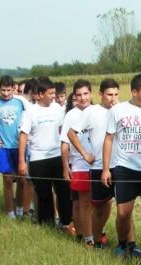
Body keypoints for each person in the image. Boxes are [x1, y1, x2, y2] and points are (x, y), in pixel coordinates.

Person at [102, 73, 141, 257]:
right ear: (134, 92)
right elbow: (109, 139)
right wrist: (105, 169)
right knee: (123, 213)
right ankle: (122, 244)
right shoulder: (118, 111)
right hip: (125, 167)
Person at [68, 78, 119, 248]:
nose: (113, 98)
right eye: (109, 94)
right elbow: (71, 133)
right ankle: (93, 239)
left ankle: (110, 238)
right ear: (101, 94)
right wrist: (85, 154)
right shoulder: (91, 112)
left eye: (116, 94)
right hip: (98, 166)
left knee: (113, 205)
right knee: (96, 205)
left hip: (119, 165)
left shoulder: (120, 110)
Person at [18, 78, 70, 228]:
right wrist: (22, 161)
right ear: (40, 94)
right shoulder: (30, 112)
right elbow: (23, 136)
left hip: (57, 156)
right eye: (51, 93)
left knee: (63, 192)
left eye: (54, 93)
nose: (54, 96)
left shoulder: (57, 109)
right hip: (38, 159)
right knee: (44, 194)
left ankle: (66, 223)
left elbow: (65, 131)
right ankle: (47, 225)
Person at [0, 75, 29, 219]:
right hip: (2, 146)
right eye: (3, 90)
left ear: (13, 89)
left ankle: (20, 208)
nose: (6, 93)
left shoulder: (20, 101)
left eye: (9, 90)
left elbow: (32, 115)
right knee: (8, 180)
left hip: (19, 145)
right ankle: (10, 212)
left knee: (22, 179)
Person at [62, 79, 93, 243]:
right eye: (79, 95)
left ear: (91, 94)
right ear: (74, 96)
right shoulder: (71, 115)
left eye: (86, 94)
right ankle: (84, 236)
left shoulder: (97, 111)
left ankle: (95, 232)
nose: (83, 98)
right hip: (79, 164)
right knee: (83, 202)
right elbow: (64, 143)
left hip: (98, 165)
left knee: (99, 203)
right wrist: (65, 166)